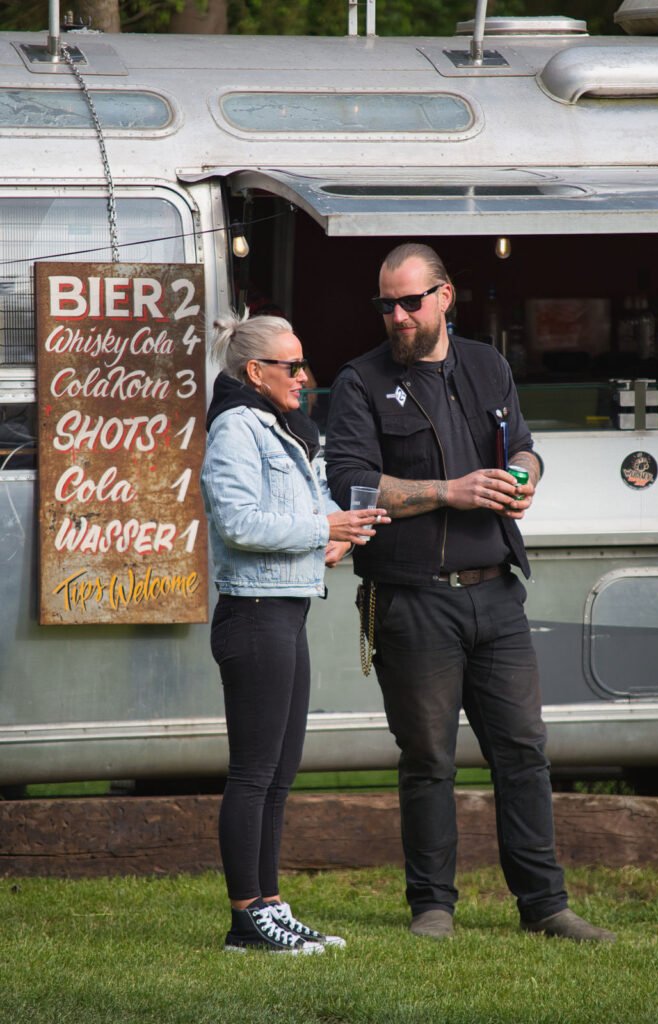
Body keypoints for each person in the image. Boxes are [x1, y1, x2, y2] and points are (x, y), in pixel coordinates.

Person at [324, 243, 615, 944]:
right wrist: (447, 491)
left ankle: (544, 906)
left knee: (522, 751)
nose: (396, 315)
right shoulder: (359, 382)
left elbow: (522, 444)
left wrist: (523, 473)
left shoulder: (486, 363)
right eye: (385, 304)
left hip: (496, 595)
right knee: (427, 758)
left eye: (409, 301)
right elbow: (353, 486)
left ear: (444, 297)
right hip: (411, 597)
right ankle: (432, 908)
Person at [201, 308, 389, 955]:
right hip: (253, 615)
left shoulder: (285, 427)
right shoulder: (234, 428)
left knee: (279, 772)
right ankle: (243, 916)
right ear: (255, 371)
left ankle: (269, 904)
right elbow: (239, 525)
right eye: (292, 366)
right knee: (254, 773)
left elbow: (309, 508)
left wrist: (344, 528)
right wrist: (322, 532)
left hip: (285, 610)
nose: (305, 377)